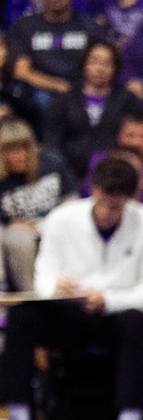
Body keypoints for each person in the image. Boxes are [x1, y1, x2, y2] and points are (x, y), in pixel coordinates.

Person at [0, 155, 143, 420]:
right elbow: (44, 274)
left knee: (139, 323)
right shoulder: (62, 219)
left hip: (118, 314)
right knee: (23, 315)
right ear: (93, 190)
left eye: (116, 207)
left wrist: (108, 300)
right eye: (103, 203)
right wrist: (56, 291)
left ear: (130, 199)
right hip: (71, 312)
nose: (107, 213)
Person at [9, 0, 108, 100]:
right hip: (40, 92)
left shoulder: (90, 26)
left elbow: (102, 68)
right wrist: (57, 85)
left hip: (81, 91)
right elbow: (22, 72)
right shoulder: (24, 26)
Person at [44, 39, 137, 177]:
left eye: (107, 63)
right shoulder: (64, 100)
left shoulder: (127, 100)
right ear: (84, 64)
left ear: (115, 68)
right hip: (71, 172)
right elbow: (52, 142)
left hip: (116, 173)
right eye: (94, 62)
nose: (100, 69)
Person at [0, 120, 73, 292]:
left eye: (24, 148)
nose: (20, 155)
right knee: (19, 240)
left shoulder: (52, 161)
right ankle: (31, 296)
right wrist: (9, 224)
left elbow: (71, 200)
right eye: (12, 150)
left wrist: (52, 223)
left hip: (54, 221)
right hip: (16, 229)